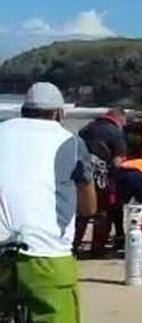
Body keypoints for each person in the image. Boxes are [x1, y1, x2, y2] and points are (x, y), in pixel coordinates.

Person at [0, 82, 97, 323]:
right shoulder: (71, 142)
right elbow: (88, 206)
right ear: (59, 113)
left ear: (22, 111)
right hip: (46, 256)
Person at [75, 108, 127, 256]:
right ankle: (97, 248)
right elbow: (118, 162)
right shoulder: (115, 133)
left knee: (82, 213)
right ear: (120, 120)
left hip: (80, 175)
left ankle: (73, 245)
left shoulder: (86, 128)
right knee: (103, 212)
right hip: (102, 177)